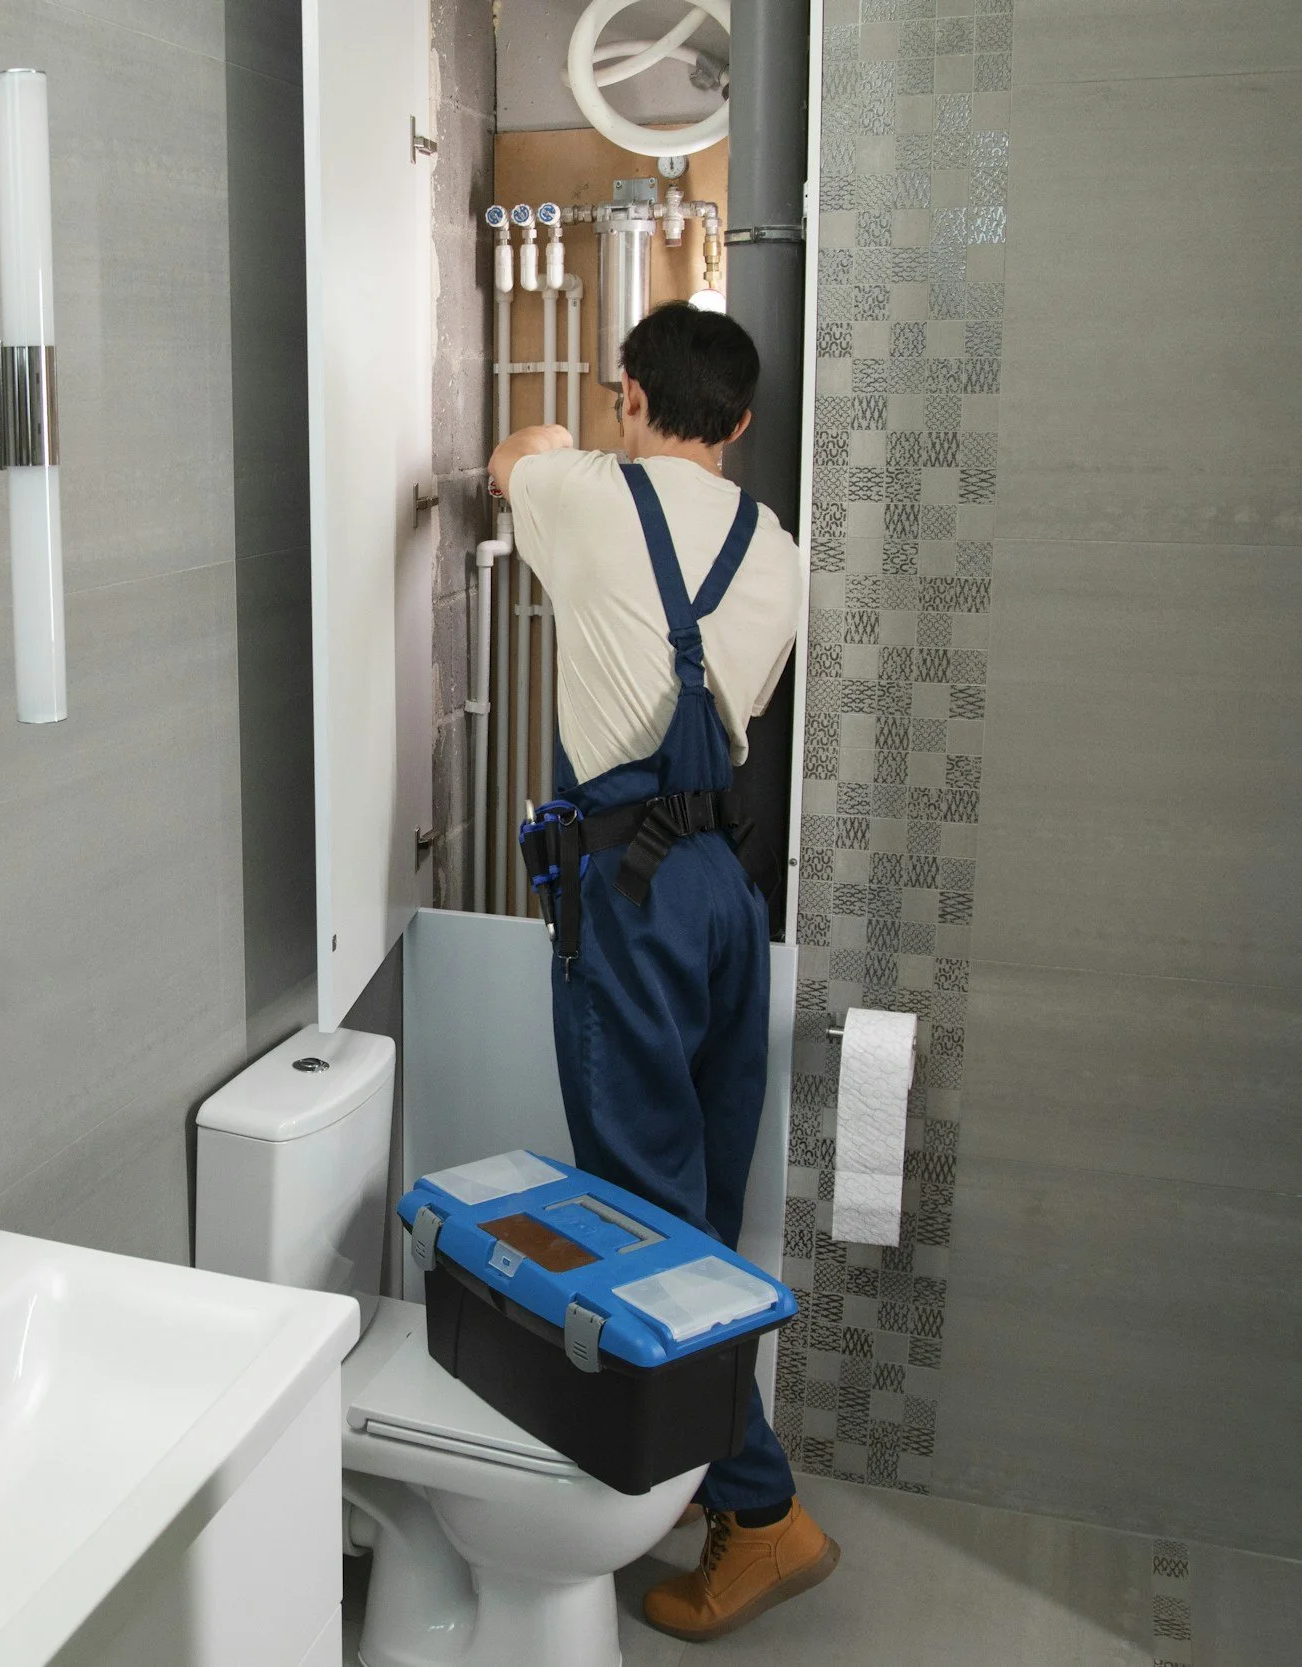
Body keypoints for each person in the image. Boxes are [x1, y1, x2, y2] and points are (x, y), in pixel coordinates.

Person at [488, 302, 834, 1641]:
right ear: (741, 423)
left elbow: (509, 460)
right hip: (723, 896)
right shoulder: (783, 552)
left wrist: (557, 438)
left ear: (630, 397)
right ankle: (705, 1468)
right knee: (700, 1207)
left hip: (625, 890)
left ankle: (758, 1505)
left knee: (642, 1212)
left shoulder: (581, 493)